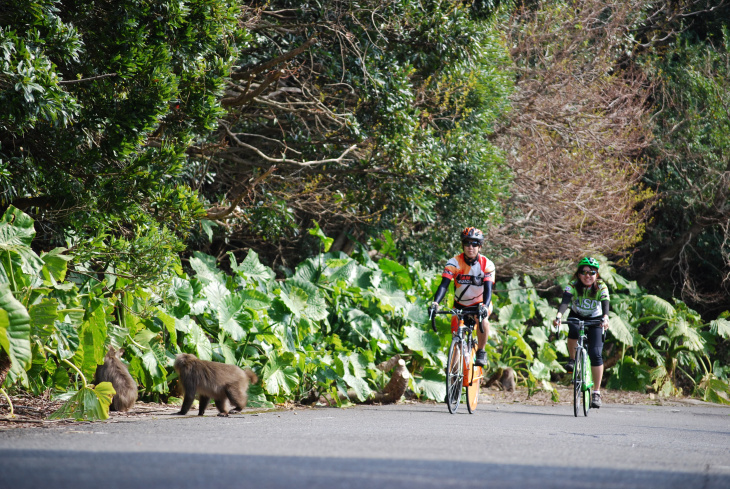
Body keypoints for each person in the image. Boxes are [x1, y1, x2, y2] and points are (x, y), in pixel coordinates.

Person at [429, 227, 495, 367]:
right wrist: (435, 303)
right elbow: (444, 285)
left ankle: (481, 351)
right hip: (460, 306)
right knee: (456, 348)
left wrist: (484, 306)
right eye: (467, 243)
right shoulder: (454, 262)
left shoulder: (487, 264)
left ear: (480, 246)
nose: (470, 247)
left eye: (474, 244)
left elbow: (488, 289)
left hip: (480, 303)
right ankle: (454, 383)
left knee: (482, 319)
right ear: (462, 245)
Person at [552, 257, 609, 408]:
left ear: (596, 275)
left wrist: (605, 317)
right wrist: (559, 316)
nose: (588, 276)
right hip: (577, 315)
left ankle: (596, 393)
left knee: (596, 354)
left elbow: (605, 303)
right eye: (584, 272)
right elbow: (565, 301)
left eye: (592, 272)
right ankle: (572, 359)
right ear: (578, 274)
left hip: (595, 318)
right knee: (573, 328)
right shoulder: (573, 285)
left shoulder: (601, 286)